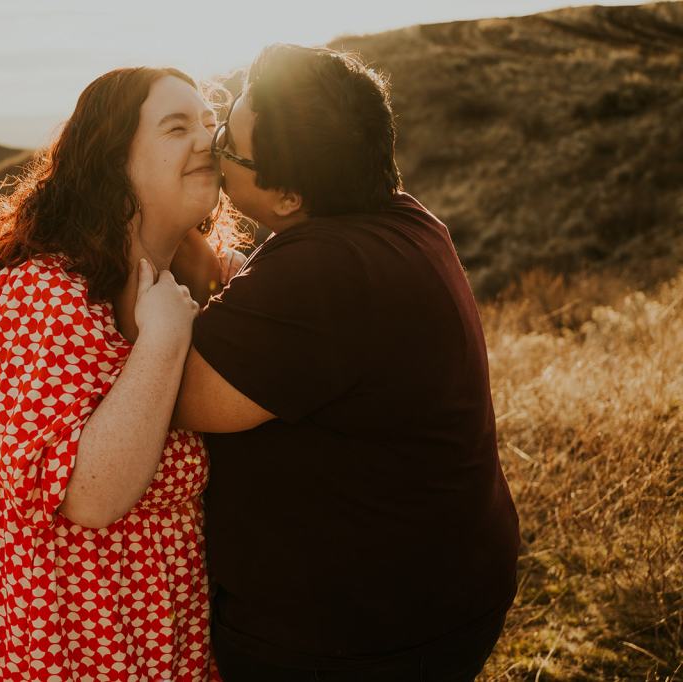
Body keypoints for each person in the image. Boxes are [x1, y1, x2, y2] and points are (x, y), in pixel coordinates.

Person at [171, 44, 521, 681]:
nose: (213, 148)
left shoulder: (324, 271)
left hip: (355, 637)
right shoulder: (402, 221)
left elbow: (182, 397)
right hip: (446, 589)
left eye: (228, 141)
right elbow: (295, 340)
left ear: (288, 195)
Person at [0, 66, 241, 681]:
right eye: (176, 127)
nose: (207, 139)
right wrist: (162, 343)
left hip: (161, 614)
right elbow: (89, 495)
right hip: (56, 627)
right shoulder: (43, 294)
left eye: (210, 122)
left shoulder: (194, 282)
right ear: (112, 164)